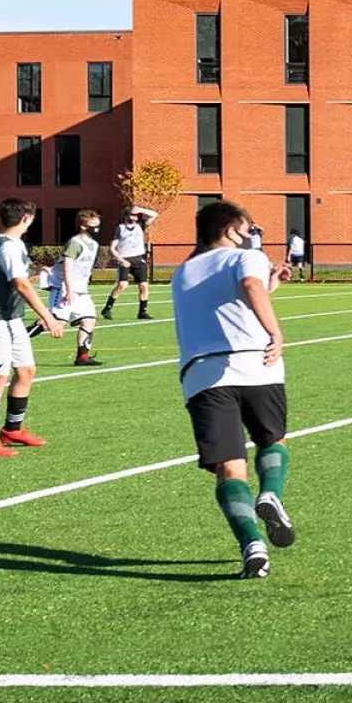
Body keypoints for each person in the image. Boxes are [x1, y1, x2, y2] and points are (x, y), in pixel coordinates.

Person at [172, 200, 295, 578]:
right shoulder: (248, 256)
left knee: (229, 469)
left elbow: (230, 301)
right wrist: (275, 330)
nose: (252, 235)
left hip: (202, 376)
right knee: (272, 440)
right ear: (230, 231)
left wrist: (268, 287)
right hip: (255, 364)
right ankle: (271, 492)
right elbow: (248, 285)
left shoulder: (183, 270)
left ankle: (252, 545)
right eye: (249, 228)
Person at [0, 198, 65, 456]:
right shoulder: (8, 247)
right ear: (26, 219)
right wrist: (48, 316)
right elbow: (21, 284)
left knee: (26, 371)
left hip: (11, 319)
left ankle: (12, 429)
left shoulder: (15, 245)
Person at [47, 208, 105, 366]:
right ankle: (14, 343)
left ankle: (82, 356)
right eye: (93, 225)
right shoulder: (75, 243)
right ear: (83, 226)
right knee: (56, 323)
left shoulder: (93, 244)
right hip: (65, 288)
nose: (97, 228)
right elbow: (67, 267)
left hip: (81, 290)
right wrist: (68, 290)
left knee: (89, 320)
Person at [100, 205, 156, 321]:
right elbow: (112, 248)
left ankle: (142, 312)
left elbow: (155, 215)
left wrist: (140, 210)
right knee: (122, 285)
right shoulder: (120, 228)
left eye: (136, 215)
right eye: (131, 215)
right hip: (125, 259)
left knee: (144, 286)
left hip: (138, 259)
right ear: (126, 216)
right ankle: (107, 308)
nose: (134, 217)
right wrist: (121, 260)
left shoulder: (141, 226)